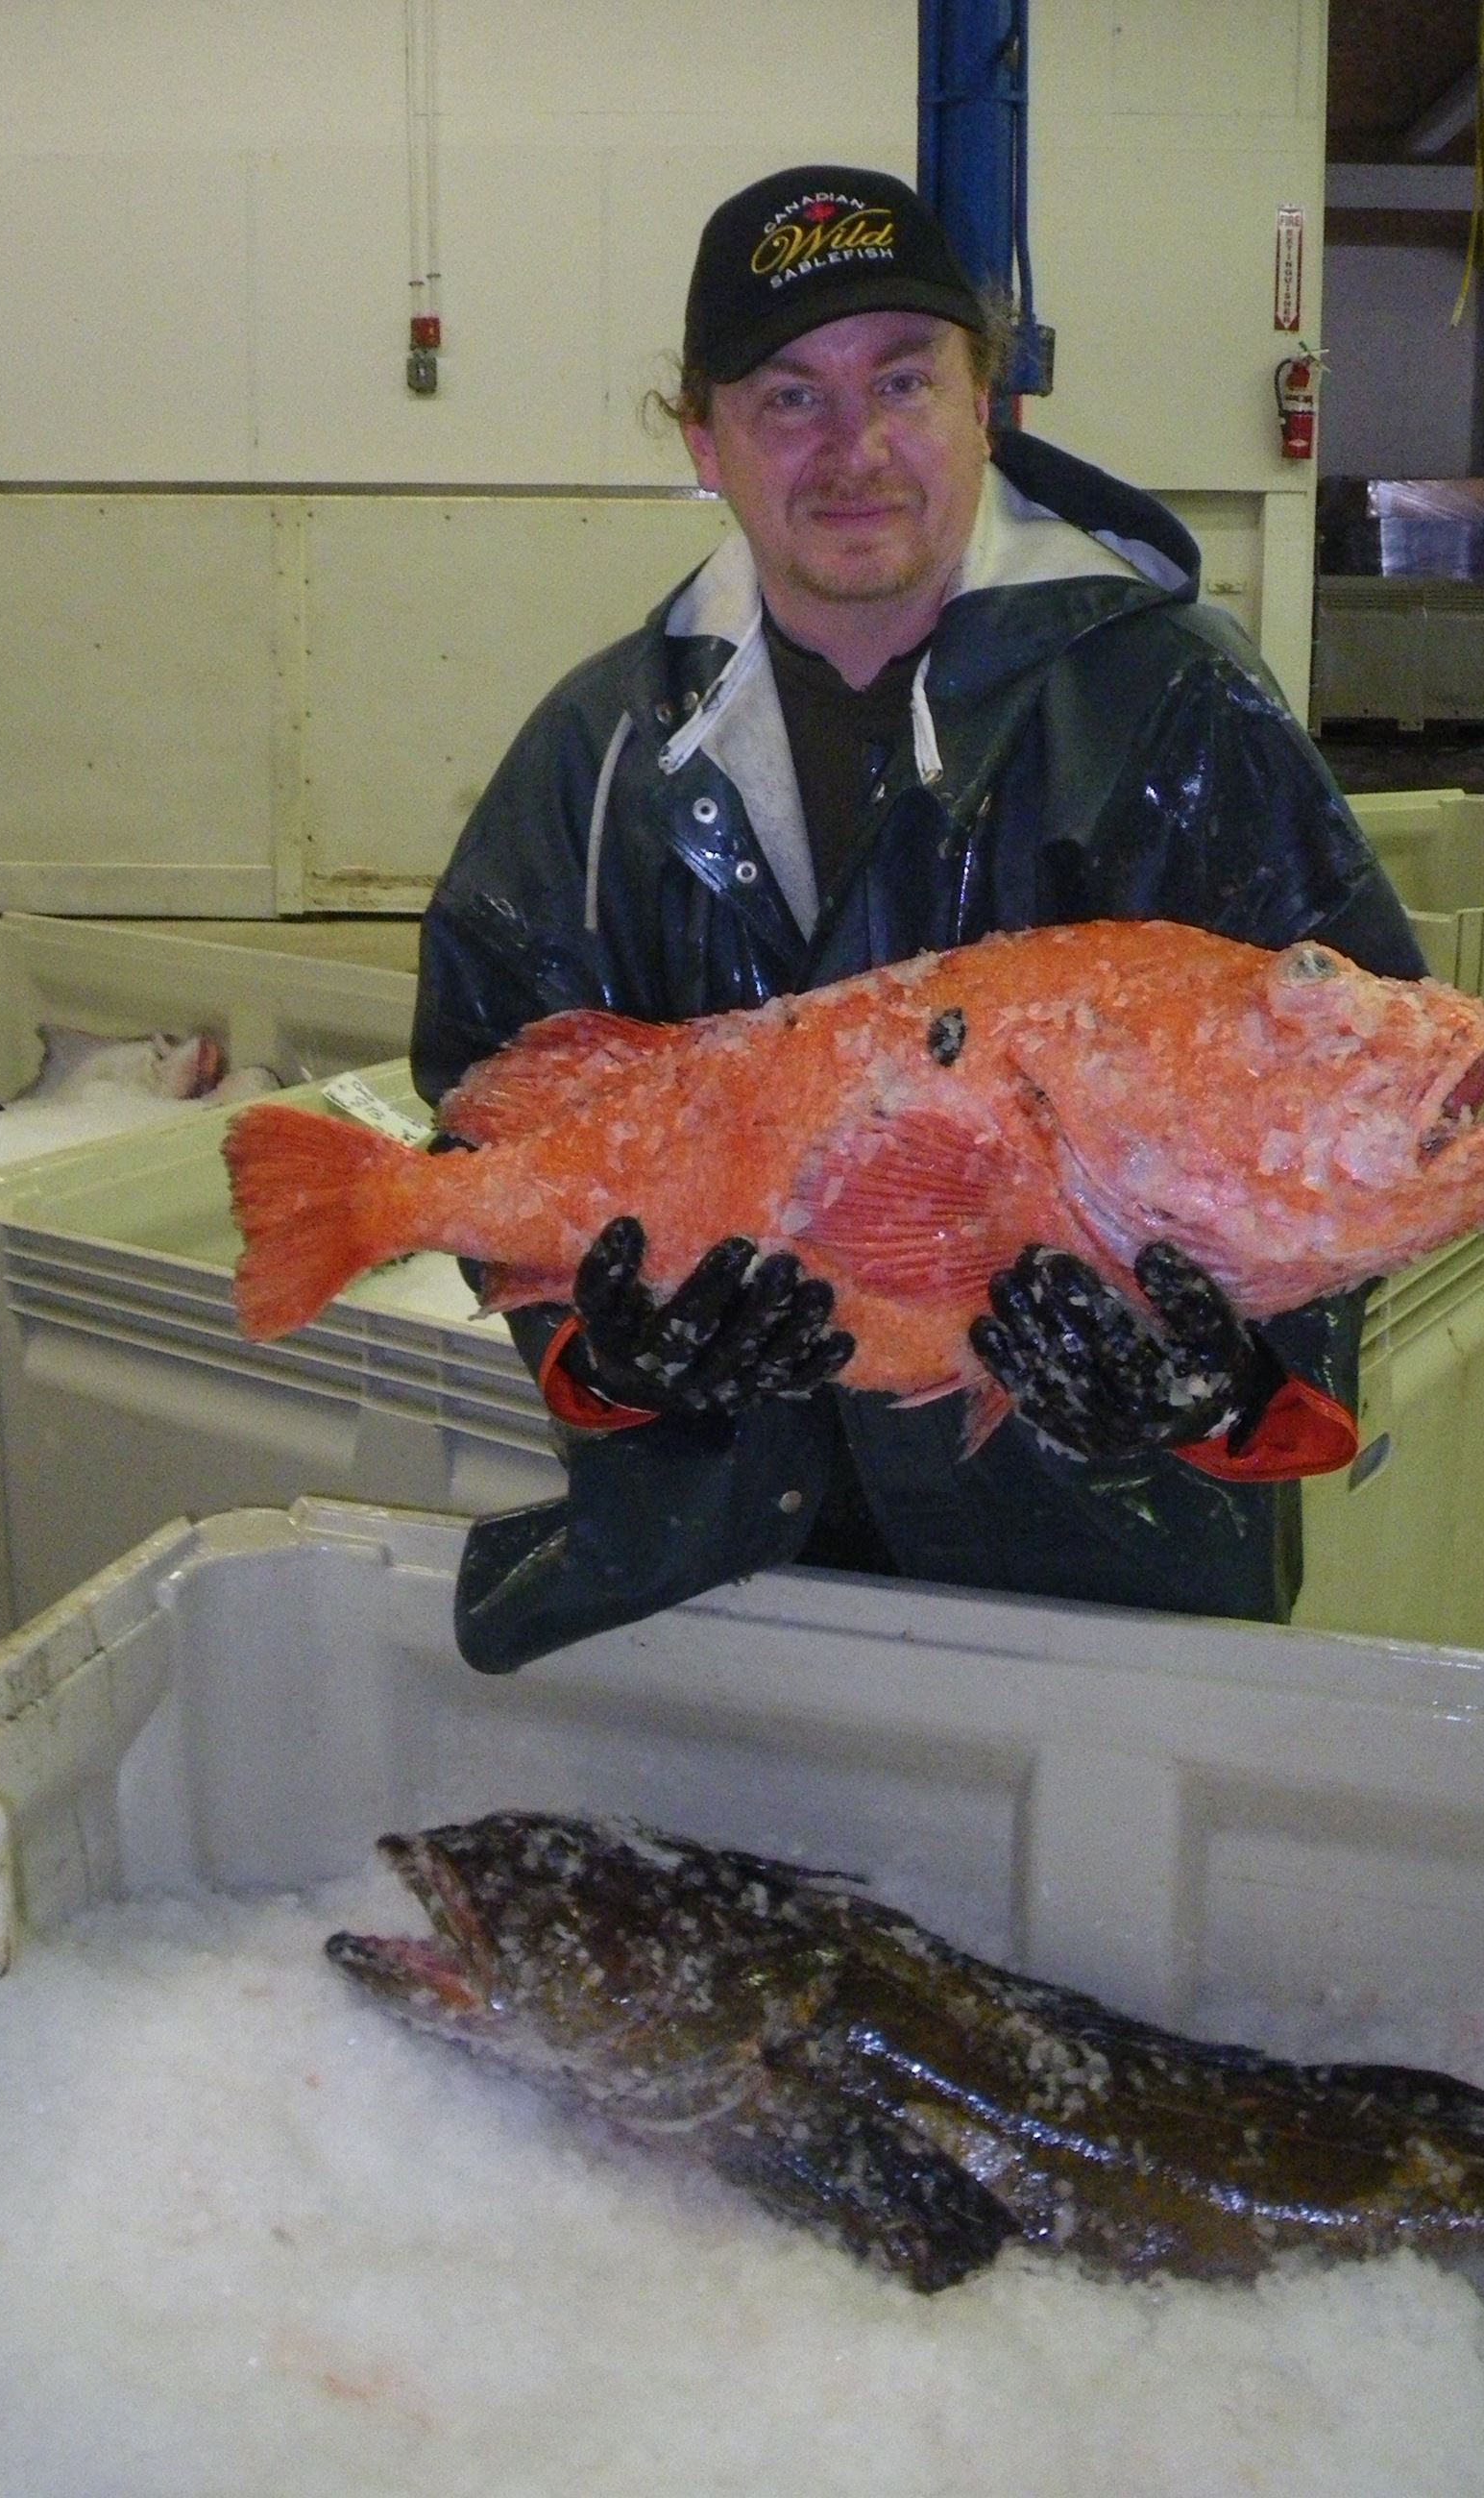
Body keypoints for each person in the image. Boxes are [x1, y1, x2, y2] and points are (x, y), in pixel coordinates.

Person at [412, 163, 1428, 1674]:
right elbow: (494, 1106)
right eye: (786, 398)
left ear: (986, 401)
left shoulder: (1169, 705)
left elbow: (1360, 1097)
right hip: (721, 1573)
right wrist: (608, 1354)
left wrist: (1226, 1390)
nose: (855, 450)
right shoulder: (599, 754)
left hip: (1100, 1568)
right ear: (703, 439)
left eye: (902, 380)